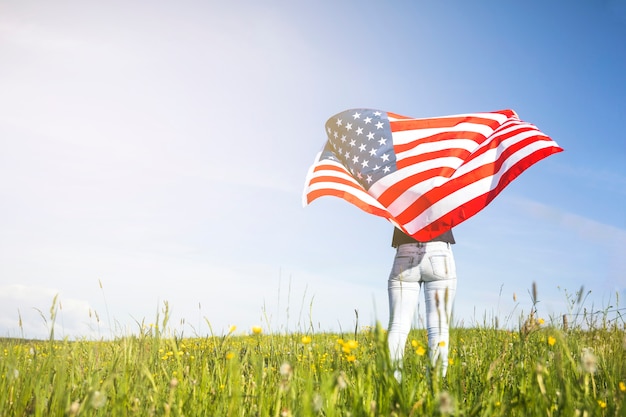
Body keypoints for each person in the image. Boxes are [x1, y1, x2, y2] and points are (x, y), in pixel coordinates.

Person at [387, 227, 457, 381]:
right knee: (439, 329)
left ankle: (391, 387)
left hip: (405, 248)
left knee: (397, 327)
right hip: (439, 249)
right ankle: (435, 388)